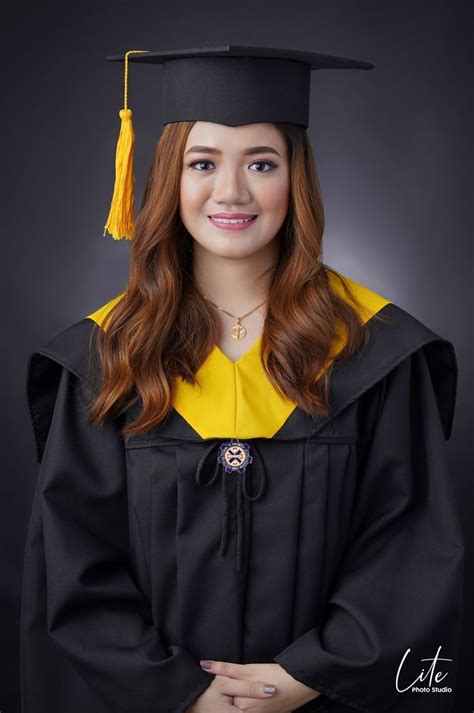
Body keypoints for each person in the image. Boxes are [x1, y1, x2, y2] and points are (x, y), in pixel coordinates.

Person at [21, 47, 464, 713]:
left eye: (262, 163)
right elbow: (73, 561)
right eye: (203, 163)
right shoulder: (107, 357)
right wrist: (183, 694)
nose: (231, 192)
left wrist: (306, 675)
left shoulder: (373, 351)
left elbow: (408, 543)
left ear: (297, 180)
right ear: (170, 178)